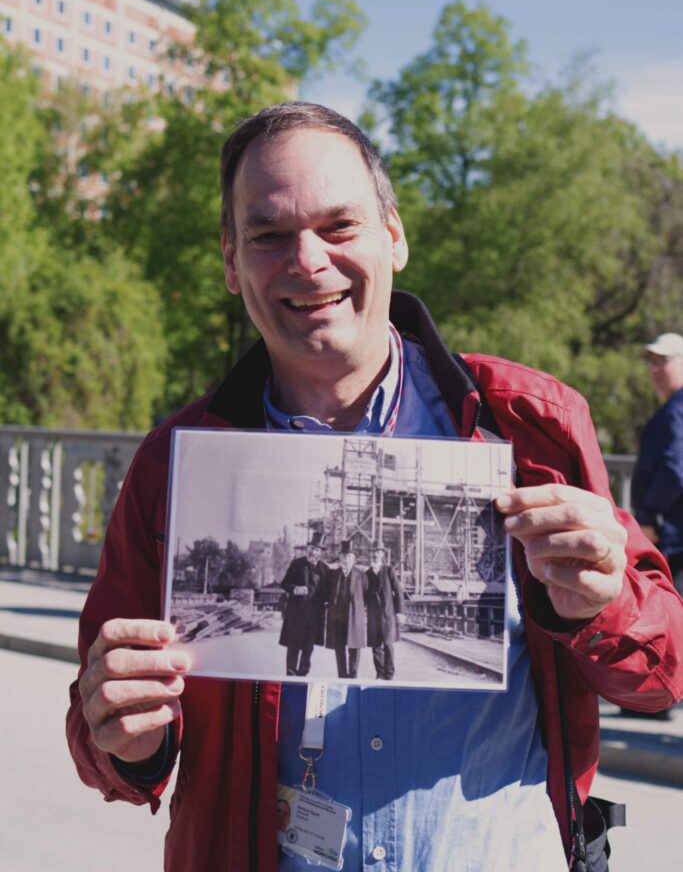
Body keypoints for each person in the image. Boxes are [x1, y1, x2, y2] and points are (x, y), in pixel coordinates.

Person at [66, 102, 683, 872]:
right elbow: (102, 737)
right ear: (230, 262)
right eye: (267, 235)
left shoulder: (532, 425)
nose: (307, 260)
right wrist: (124, 737)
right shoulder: (177, 465)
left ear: (393, 235)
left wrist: (605, 603)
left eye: (338, 226)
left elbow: (662, 676)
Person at [631, 333, 683, 597]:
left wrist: (649, 517)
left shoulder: (675, 411)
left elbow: (676, 468)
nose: (654, 370)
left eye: (662, 361)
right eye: (651, 362)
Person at [279, 530, 327, 676]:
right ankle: (291, 672)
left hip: (314, 616)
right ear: (308, 549)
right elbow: (285, 583)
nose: (313, 552)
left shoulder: (324, 569)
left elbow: (328, 592)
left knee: (308, 647)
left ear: (320, 553)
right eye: (312, 548)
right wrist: (295, 589)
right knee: (293, 645)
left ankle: (303, 674)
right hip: (296, 614)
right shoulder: (297, 564)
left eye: (317, 549)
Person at [324, 540, 367, 678]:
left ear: (354, 559)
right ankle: (342, 676)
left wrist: (358, 610)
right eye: (343, 556)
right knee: (339, 648)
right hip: (337, 617)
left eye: (349, 556)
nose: (346, 559)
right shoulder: (332, 575)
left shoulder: (361, 576)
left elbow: (366, 595)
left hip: (354, 617)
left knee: (354, 648)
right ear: (340, 558)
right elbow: (326, 593)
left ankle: (353, 676)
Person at [364, 545, 404, 679]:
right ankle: (379, 673)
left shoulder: (388, 570)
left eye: (378, 552)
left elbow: (398, 591)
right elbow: (364, 595)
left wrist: (400, 612)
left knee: (388, 644)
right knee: (375, 647)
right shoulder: (367, 574)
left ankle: (389, 674)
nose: (375, 555)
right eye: (373, 552)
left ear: (382, 554)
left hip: (388, 614)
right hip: (373, 615)